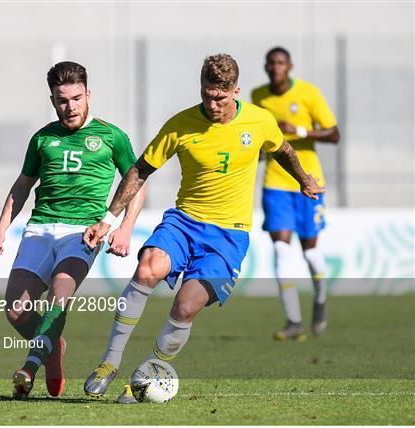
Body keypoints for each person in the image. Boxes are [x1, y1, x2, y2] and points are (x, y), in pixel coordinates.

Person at [81, 53, 324, 403]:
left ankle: (149, 374)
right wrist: (109, 219)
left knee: (185, 306)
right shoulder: (180, 124)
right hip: (184, 222)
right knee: (148, 265)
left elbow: (282, 148)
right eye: (207, 95)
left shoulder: (258, 121)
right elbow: (140, 170)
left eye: (220, 97)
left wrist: (303, 179)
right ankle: (109, 363)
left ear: (236, 91)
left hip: (228, 235)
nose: (212, 104)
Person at [0, 61, 146, 400]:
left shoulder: (111, 136)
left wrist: (124, 227)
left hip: (84, 232)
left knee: (61, 292)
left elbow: (137, 183)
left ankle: (29, 367)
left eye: (76, 98)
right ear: (52, 100)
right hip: (40, 229)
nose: (69, 106)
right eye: (62, 100)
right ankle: (53, 348)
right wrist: (1, 230)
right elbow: (22, 186)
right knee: (16, 310)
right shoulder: (43, 138)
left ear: (88, 94)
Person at [251, 47, 340, 341]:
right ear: (266, 67)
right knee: (280, 249)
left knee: (311, 252)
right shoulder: (258, 97)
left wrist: (300, 132)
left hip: (308, 182)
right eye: (271, 63)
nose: (276, 67)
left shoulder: (308, 93)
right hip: (276, 183)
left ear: (289, 66)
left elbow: (333, 133)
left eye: (281, 62)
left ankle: (321, 297)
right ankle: (293, 320)